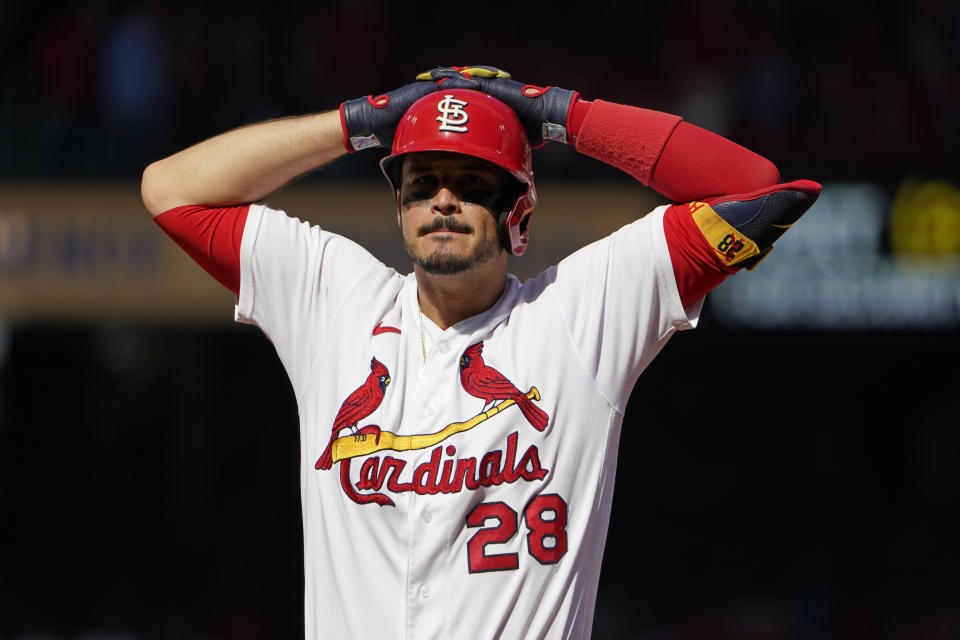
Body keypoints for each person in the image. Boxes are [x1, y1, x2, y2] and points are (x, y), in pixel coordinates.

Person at [140, 65, 820, 639]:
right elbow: (169, 190)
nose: (443, 200)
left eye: (472, 185)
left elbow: (755, 186)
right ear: (399, 206)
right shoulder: (333, 300)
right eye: (423, 181)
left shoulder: (579, 315)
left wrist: (558, 114)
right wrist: (359, 122)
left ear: (518, 219)